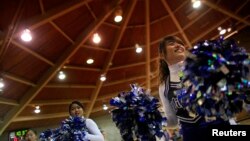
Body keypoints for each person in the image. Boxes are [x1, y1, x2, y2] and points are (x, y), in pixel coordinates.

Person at [158, 36, 231, 141]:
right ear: (162, 54)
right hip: (192, 136)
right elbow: (173, 122)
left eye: (180, 43)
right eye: (171, 43)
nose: (178, 45)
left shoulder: (203, 66)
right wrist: (155, 119)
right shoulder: (164, 87)